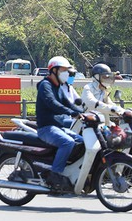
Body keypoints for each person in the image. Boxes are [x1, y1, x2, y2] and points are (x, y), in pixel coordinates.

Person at [36, 56, 84, 192]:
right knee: (67, 143)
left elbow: (68, 103)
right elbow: (53, 103)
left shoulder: (58, 87)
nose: (67, 74)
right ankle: (55, 174)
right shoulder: (46, 85)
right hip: (46, 128)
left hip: (57, 127)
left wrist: (84, 113)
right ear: (54, 71)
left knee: (82, 141)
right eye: (63, 70)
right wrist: (71, 113)